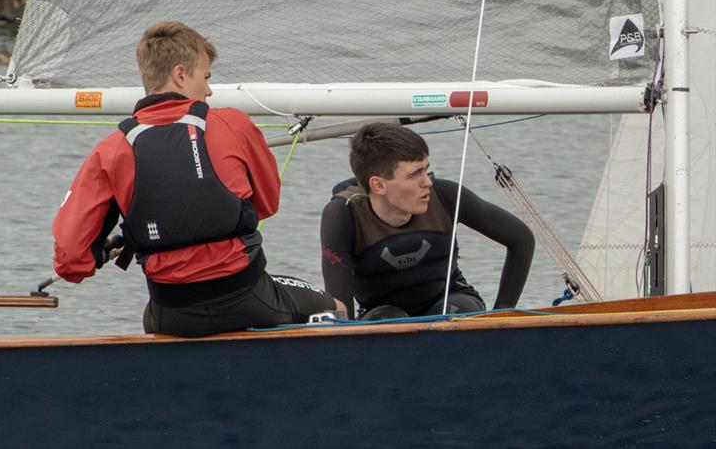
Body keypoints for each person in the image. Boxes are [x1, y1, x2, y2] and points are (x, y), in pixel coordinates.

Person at [53, 20, 343, 337]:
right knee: (337, 307)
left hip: (169, 315)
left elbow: (70, 261)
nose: (209, 90)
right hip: (249, 298)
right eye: (205, 77)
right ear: (180, 74)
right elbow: (267, 204)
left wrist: (103, 251)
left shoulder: (110, 150)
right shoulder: (232, 123)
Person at [321, 122, 534, 320]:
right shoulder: (342, 215)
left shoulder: (446, 196)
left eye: (425, 169)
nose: (427, 182)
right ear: (378, 186)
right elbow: (341, 308)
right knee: (390, 320)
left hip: (452, 301)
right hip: (384, 313)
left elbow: (521, 239)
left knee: (453, 312)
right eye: (415, 174)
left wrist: (503, 314)